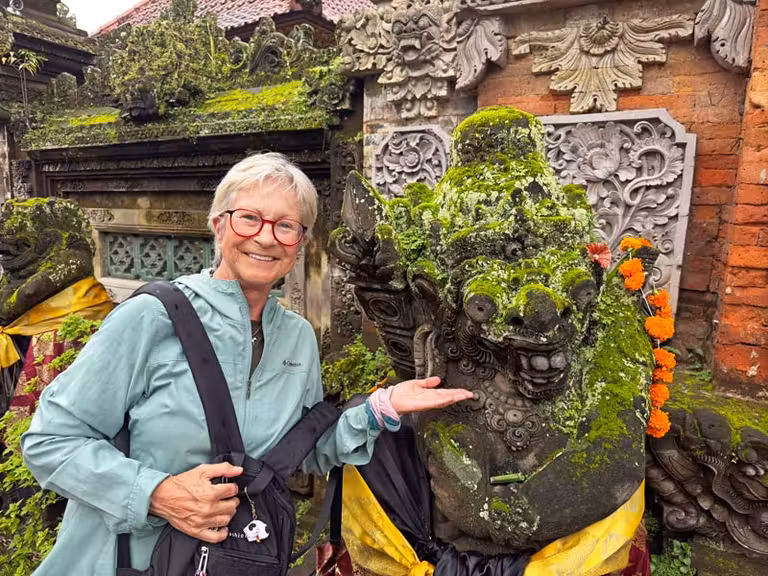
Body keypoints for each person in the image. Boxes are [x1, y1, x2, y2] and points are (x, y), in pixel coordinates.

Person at [20, 153, 473, 576]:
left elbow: (303, 448)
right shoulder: (150, 318)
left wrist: (382, 407)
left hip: (235, 557)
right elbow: (50, 441)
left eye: (285, 226)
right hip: (125, 560)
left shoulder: (296, 336)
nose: (265, 237)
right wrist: (157, 494)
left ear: (299, 243)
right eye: (249, 218)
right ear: (218, 226)